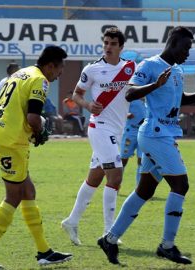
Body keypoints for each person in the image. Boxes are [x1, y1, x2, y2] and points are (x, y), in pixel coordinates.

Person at [97, 26, 195, 265]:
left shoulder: (176, 70)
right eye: (185, 47)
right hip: (156, 135)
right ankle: (167, 246)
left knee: (145, 190)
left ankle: (110, 239)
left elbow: (180, 99)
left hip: (163, 134)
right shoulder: (149, 66)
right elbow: (130, 93)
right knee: (181, 184)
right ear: (173, 43)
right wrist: (154, 85)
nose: (187, 53)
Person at [0, 46, 72, 270]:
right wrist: (39, 132)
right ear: (50, 66)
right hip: (11, 142)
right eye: (60, 69)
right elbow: (34, 117)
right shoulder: (40, 81)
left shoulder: (19, 74)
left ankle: (44, 251)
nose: (60, 74)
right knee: (14, 196)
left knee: (28, 191)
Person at [60, 27, 135, 246]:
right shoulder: (92, 69)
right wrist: (88, 105)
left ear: (121, 47)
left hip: (117, 130)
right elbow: (76, 95)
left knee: (95, 177)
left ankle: (71, 221)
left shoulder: (130, 68)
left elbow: (132, 92)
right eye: (106, 43)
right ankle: (108, 233)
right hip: (100, 128)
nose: (108, 47)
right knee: (116, 176)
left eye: (113, 43)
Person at [120, 98, 147, 185]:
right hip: (130, 131)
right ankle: (115, 184)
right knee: (123, 158)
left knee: (142, 160)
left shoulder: (149, 98)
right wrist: (126, 114)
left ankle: (139, 187)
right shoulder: (131, 97)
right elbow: (119, 110)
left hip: (144, 132)